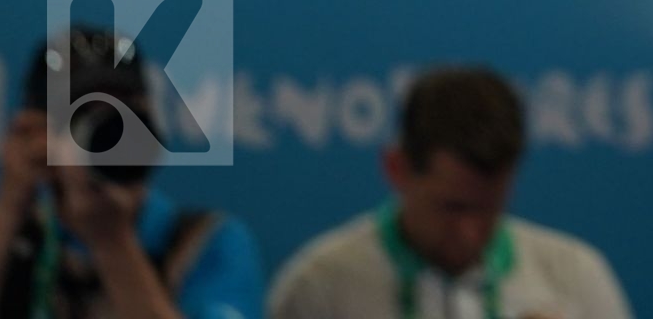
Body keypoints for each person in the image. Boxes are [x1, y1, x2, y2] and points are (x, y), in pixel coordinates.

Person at [0, 25, 264, 319]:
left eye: (122, 118)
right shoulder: (2, 241)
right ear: (36, 133)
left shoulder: (206, 243)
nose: (107, 138)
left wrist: (112, 242)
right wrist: (7, 211)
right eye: (82, 115)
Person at [269, 66, 631, 319]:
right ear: (397, 168)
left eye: (490, 208)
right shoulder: (320, 288)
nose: (470, 232)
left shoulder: (575, 278)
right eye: (452, 208)